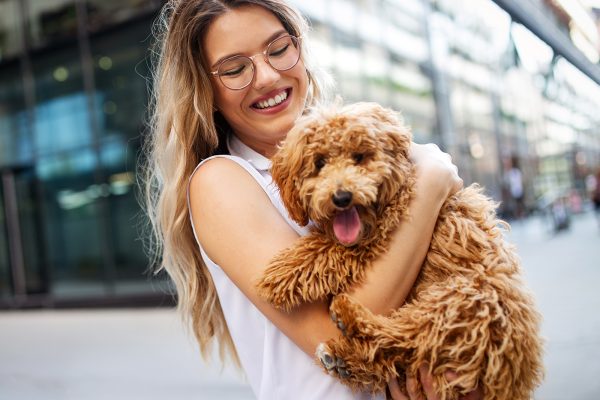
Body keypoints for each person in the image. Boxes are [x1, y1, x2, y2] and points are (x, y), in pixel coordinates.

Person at [142, 1, 479, 399]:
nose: (266, 76)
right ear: (206, 90)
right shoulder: (220, 182)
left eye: (279, 49)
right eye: (235, 69)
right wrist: (432, 180)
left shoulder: (356, 141)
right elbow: (339, 344)